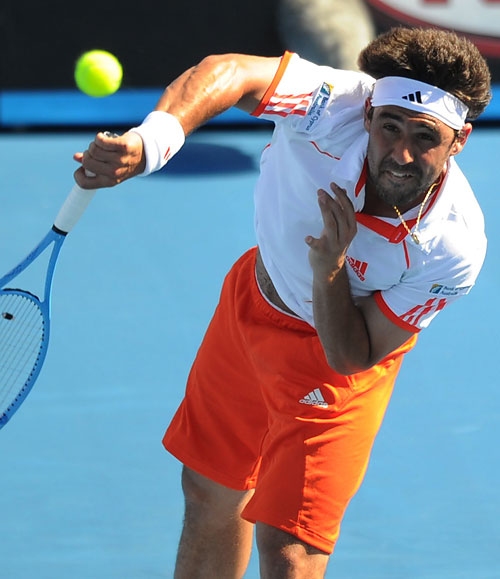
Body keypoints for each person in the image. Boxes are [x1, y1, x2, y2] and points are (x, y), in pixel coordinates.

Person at [74, 26, 491, 579]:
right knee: (209, 491)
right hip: (250, 306)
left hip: (334, 363)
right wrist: (153, 142)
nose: (402, 153)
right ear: (368, 114)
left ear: (459, 140)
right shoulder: (333, 104)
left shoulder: (453, 246)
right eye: (390, 127)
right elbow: (228, 71)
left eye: (425, 136)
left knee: (291, 552)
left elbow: (350, 356)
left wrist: (330, 270)